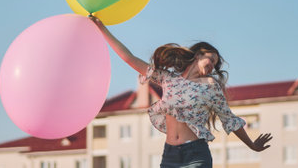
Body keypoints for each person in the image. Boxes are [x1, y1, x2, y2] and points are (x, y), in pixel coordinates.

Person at [89, 16, 272, 168]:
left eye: (215, 65)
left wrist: (252, 144)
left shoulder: (210, 86)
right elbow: (129, 58)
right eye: (211, 60)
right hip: (169, 156)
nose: (212, 67)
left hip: (196, 155)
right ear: (199, 54)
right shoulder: (168, 78)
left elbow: (229, 118)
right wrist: (101, 28)